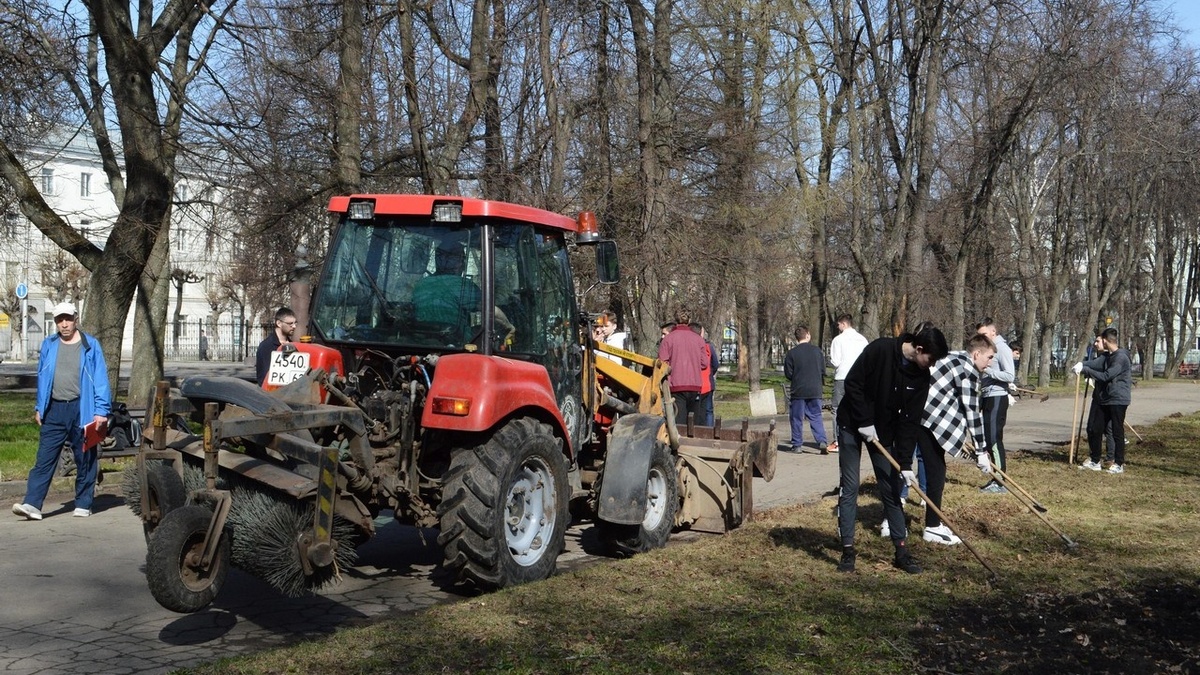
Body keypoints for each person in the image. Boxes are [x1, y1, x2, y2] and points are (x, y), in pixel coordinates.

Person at [834, 323, 949, 574]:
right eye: (931, 359)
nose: (931, 365)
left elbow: (910, 422)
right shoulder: (881, 350)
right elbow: (853, 383)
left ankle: (901, 552)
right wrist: (864, 421)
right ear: (919, 349)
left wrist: (906, 463)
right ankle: (848, 550)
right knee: (850, 485)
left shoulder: (921, 378)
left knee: (891, 487)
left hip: (883, 433)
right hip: (852, 424)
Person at [12, 302, 112, 520]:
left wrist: (101, 411)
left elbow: (101, 380)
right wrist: (40, 407)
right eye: (59, 320)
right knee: (44, 459)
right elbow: (43, 377)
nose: (64, 324)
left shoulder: (90, 345)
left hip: (82, 408)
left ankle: (83, 503)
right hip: (54, 410)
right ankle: (32, 504)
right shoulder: (49, 344)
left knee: (85, 459)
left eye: (67, 319)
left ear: (75, 319)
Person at [917, 334, 996, 546]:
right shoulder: (967, 370)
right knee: (936, 473)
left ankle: (921, 523)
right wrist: (981, 451)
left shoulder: (956, 357)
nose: (989, 364)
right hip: (927, 421)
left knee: (932, 470)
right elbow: (972, 412)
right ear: (976, 354)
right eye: (989, 357)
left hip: (922, 417)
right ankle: (932, 527)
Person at [1075, 327, 1132, 474]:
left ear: (1106, 341)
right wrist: (1082, 365)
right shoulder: (1109, 356)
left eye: (1101, 340)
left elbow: (1107, 376)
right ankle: (1095, 461)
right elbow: (1096, 364)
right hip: (1106, 398)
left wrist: (1087, 371)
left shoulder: (1120, 357)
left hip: (1118, 399)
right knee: (1096, 428)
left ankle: (1118, 463)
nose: (1098, 343)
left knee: (1116, 431)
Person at [975, 318, 1015, 494]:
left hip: (997, 397)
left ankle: (1000, 481)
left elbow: (1010, 375)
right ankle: (995, 476)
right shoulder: (987, 348)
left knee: (993, 438)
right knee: (987, 437)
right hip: (986, 395)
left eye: (984, 334)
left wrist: (988, 370)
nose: (982, 338)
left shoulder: (1002, 349)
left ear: (993, 332)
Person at [658, 310, 710, 426]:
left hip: (676, 385)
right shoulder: (698, 339)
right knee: (694, 423)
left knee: (678, 422)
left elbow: (662, 363)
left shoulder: (668, 339)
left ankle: (680, 438)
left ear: (675, 320)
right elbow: (704, 363)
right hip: (695, 385)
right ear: (689, 320)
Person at [783, 326, 828, 453]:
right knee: (816, 416)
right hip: (815, 389)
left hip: (798, 390)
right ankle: (822, 441)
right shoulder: (817, 351)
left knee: (796, 418)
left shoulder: (792, 353)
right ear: (807, 335)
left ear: (796, 338)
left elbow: (788, 374)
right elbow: (823, 370)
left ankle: (797, 445)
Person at [828, 314, 868, 453]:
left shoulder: (838, 340)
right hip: (859, 379)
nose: (838, 327)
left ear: (843, 324)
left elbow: (835, 361)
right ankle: (858, 438)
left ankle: (838, 441)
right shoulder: (862, 339)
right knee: (857, 406)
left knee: (837, 409)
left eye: (838, 325)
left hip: (842, 377)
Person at [255, 307, 297, 386]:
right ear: (279, 323)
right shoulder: (266, 346)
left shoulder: (293, 345)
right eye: (290, 323)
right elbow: (264, 378)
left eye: (295, 323)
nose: (294, 326)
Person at [691, 323, 720, 426]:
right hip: (707, 383)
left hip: (696, 384)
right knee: (708, 411)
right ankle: (709, 430)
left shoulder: (691, 347)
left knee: (696, 410)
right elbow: (715, 364)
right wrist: (711, 373)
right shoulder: (708, 347)